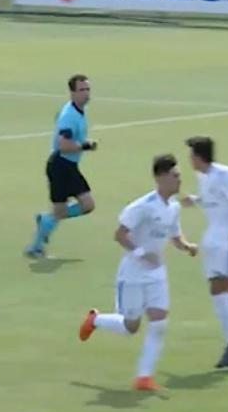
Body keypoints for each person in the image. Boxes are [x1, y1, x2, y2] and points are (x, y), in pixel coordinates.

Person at [77, 154, 198, 391]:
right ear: (161, 177)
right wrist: (142, 253)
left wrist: (187, 246)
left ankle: (144, 377)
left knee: (159, 321)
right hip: (132, 273)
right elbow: (119, 235)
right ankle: (95, 320)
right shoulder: (141, 207)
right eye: (175, 176)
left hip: (157, 274)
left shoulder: (173, 207)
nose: (179, 181)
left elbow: (174, 236)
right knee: (130, 326)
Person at [183, 136, 228, 368]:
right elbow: (213, 201)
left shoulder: (226, 174)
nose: (189, 159)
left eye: (191, 154)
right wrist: (195, 200)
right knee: (215, 286)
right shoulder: (202, 176)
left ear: (199, 156)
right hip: (212, 237)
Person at [25, 74, 98, 258]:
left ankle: (42, 228)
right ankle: (36, 245)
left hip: (68, 166)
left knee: (68, 210)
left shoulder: (77, 111)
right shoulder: (69, 115)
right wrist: (85, 145)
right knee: (83, 205)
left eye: (88, 89)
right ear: (72, 92)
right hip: (60, 166)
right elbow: (64, 145)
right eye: (82, 90)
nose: (86, 93)